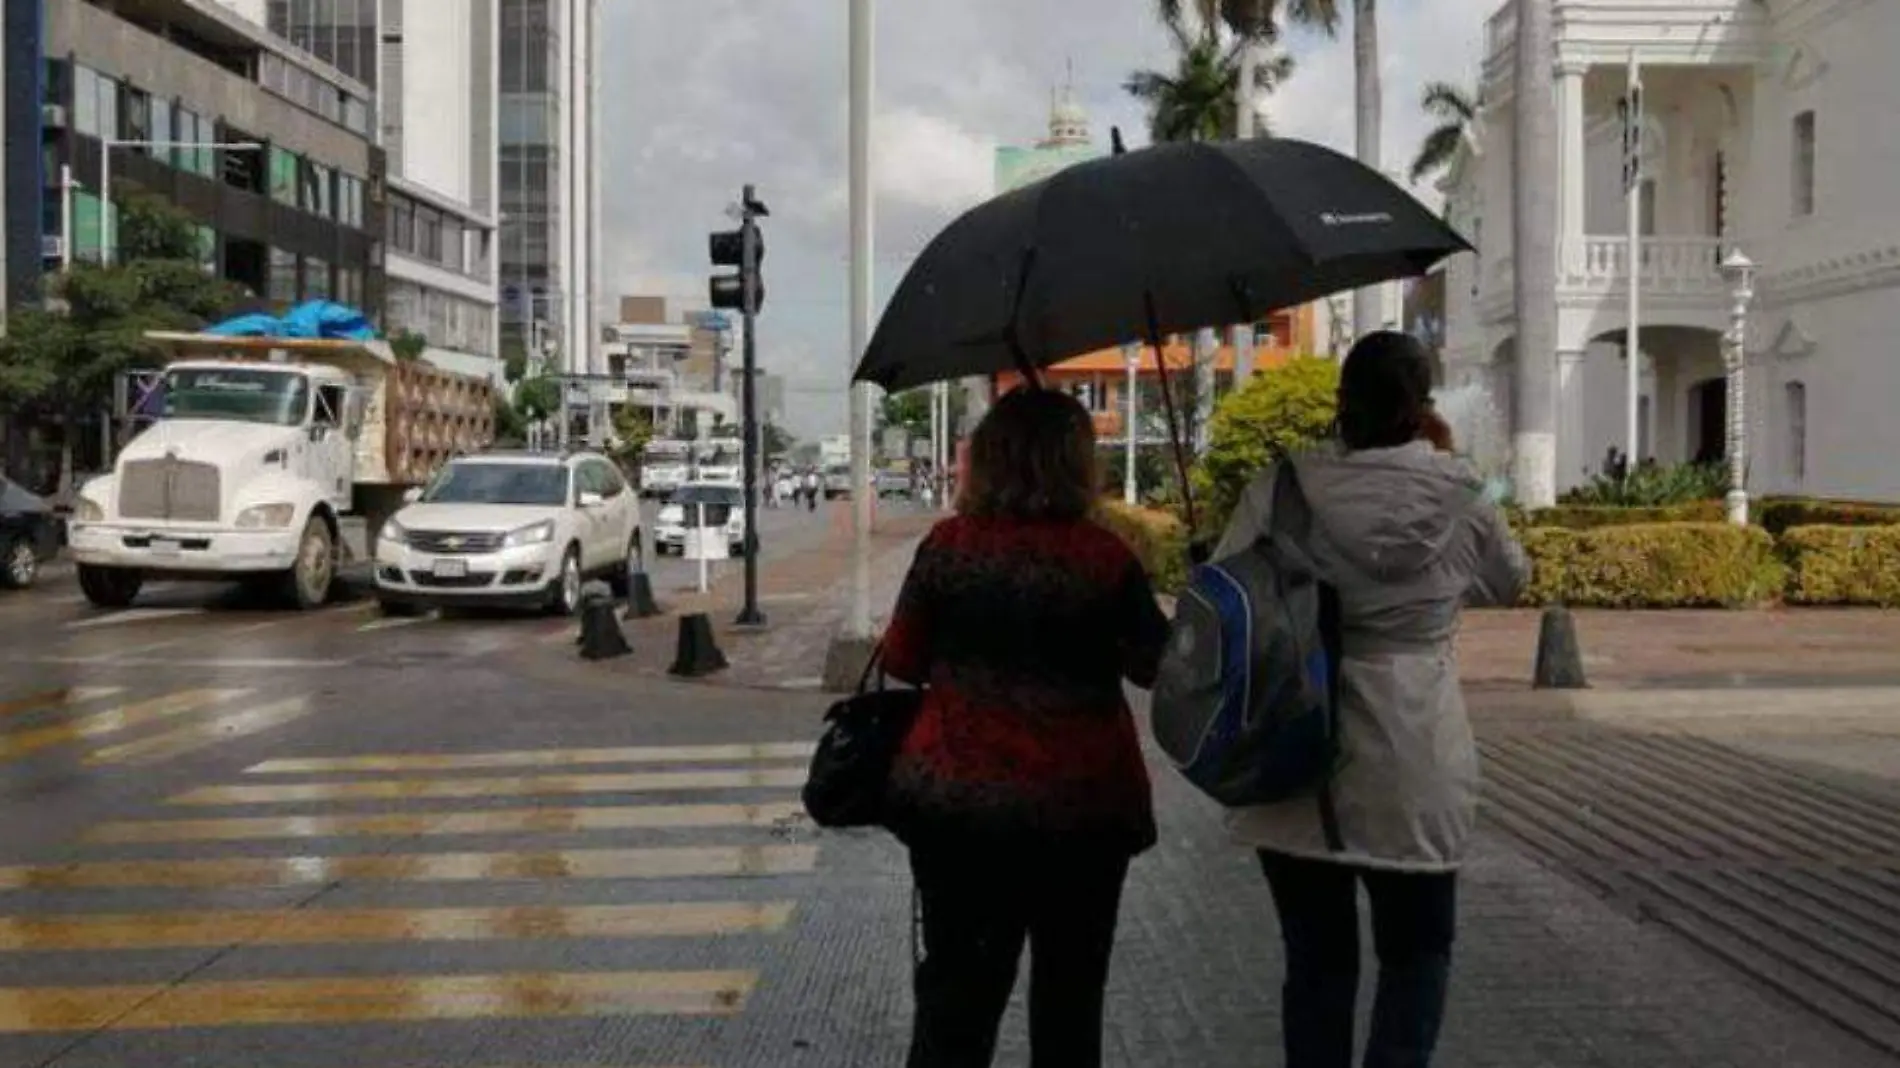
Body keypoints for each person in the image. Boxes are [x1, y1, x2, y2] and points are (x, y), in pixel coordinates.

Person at [1213, 331, 1530, 1068]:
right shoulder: (1461, 492)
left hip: (1297, 752)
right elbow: (1511, 580)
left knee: (1318, 964)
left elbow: (1231, 591)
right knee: (1416, 957)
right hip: (1416, 756)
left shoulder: (1283, 487)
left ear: (1341, 404)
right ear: (1421, 407)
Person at [881, 387, 1171, 1068]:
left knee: (956, 1003)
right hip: (1082, 811)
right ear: (1075, 463)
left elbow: (901, 659)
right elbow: (1155, 669)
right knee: (1071, 1007)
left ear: (988, 460)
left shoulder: (948, 549)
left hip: (962, 811)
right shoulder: (1104, 559)